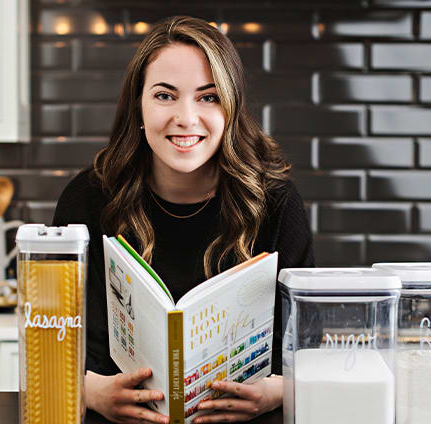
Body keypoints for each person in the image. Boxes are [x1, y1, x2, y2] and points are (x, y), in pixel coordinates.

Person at [52, 15, 314, 424]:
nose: (186, 118)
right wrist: (92, 392)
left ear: (231, 108)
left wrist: (274, 392)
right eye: (165, 96)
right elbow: (53, 343)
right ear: (138, 105)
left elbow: (308, 352)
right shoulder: (87, 199)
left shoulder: (275, 203)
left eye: (208, 97)